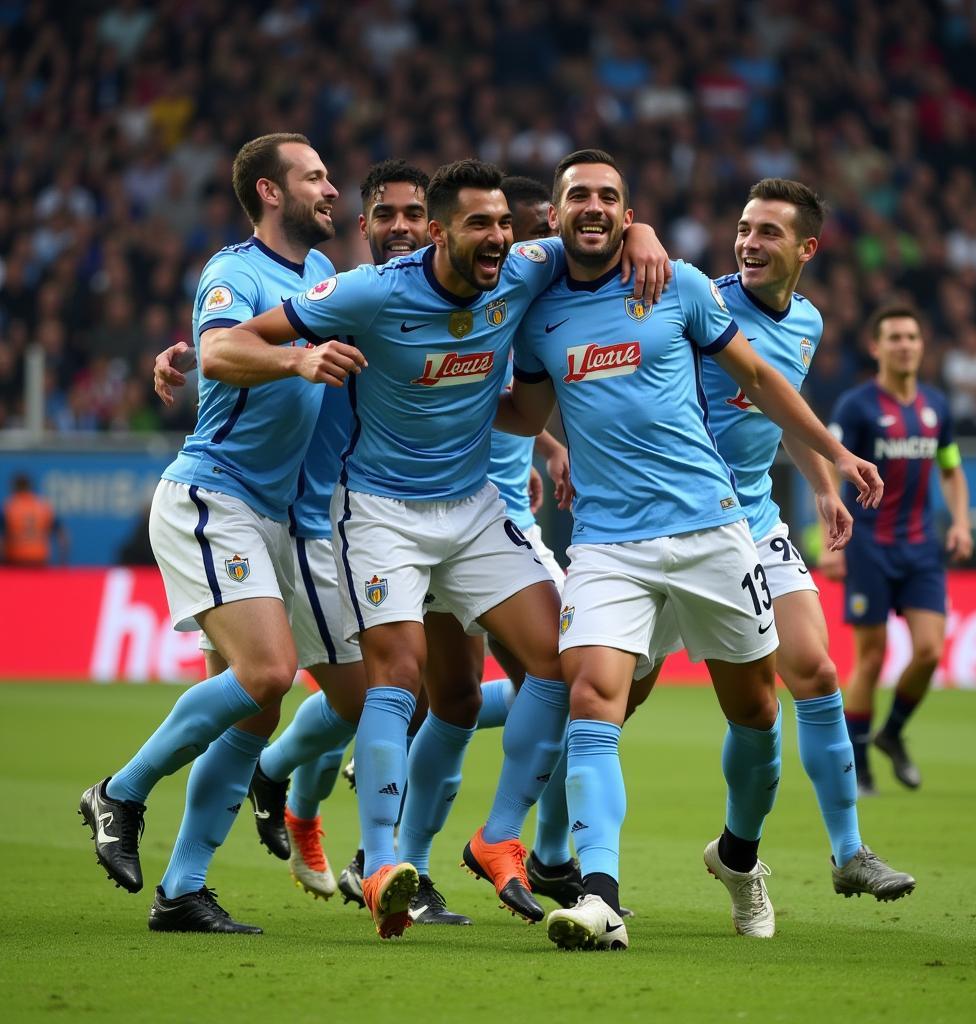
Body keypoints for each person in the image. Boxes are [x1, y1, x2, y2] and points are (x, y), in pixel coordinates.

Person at [200, 158, 671, 939]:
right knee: (400, 675)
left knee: (555, 659)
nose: (497, 237)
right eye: (479, 224)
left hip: (475, 509)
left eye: (504, 224)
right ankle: (382, 860)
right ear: (439, 230)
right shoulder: (371, 293)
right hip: (379, 511)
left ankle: (496, 834)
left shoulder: (524, 268)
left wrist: (644, 229)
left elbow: (593, 234)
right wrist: (297, 359)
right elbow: (230, 346)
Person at [496, 150, 882, 950]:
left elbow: (766, 383)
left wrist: (833, 459)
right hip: (607, 542)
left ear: (630, 210)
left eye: (611, 197)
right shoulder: (537, 309)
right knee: (595, 701)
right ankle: (594, 891)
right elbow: (524, 412)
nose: (593, 207)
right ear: (558, 212)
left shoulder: (679, 286)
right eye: (578, 197)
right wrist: (411, 385)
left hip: (715, 529)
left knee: (757, 710)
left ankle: (740, 861)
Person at [79, 133, 365, 934]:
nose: (330, 188)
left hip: (284, 518)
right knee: (269, 674)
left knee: (313, 703)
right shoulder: (233, 270)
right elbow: (221, 347)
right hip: (216, 496)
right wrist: (291, 363)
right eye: (315, 176)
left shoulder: (319, 276)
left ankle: (181, 893)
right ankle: (121, 791)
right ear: (271, 193)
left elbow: (218, 348)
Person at [697, 179, 915, 901]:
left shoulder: (808, 322)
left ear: (806, 249)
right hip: (672, 521)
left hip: (755, 519)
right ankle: (551, 850)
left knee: (816, 673)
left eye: (768, 233)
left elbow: (780, 406)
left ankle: (849, 850)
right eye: (744, 228)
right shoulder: (702, 303)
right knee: (603, 702)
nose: (749, 244)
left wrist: (822, 485)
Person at [823, 305, 972, 794]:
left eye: (912, 336)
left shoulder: (937, 407)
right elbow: (830, 463)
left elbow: (950, 467)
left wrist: (961, 523)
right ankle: (859, 763)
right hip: (869, 545)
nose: (905, 344)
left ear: (922, 344)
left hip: (921, 546)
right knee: (871, 658)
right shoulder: (857, 406)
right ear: (876, 347)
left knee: (930, 650)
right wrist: (832, 537)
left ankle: (892, 732)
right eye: (895, 337)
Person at [2, 473, 69, 565]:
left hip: (15, 560)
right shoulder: (43, 507)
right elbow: (63, 537)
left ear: (14, 488)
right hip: (39, 560)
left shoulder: (9, 507)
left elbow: (1, 539)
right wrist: (63, 561)